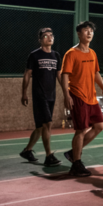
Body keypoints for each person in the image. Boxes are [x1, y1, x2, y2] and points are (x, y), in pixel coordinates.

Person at [62, 21, 103, 177]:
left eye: (91, 31)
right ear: (79, 33)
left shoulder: (92, 53)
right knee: (81, 130)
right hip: (78, 95)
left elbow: (96, 73)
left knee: (99, 126)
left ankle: (72, 153)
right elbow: (65, 75)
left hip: (91, 97)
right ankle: (76, 164)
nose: (89, 33)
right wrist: (66, 95)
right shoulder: (71, 53)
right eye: (85, 31)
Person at [19, 28, 63, 166]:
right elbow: (27, 74)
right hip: (39, 95)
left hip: (51, 95)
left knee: (40, 127)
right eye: (45, 36)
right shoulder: (34, 55)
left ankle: (27, 150)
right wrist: (24, 93)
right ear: (40, 39)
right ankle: (49, 156)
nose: (49, 38)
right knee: (47, 124)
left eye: (51, 35)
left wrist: (67, 91)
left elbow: (59, 75)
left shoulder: (56, 55)